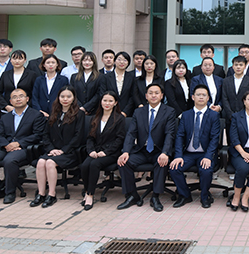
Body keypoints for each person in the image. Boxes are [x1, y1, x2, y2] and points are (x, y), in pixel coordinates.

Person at [0, 88, 47, 204]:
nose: (18, 99)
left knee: (9, 161)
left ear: (27, 99)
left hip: (25, 148)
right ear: (10, 101)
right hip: (5, 146)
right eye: (14, 97)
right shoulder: (6, 117)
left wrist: (19, 143)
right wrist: (6, 145)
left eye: (21, 96)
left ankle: (9, 192)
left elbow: (38, 135)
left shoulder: (36, 115)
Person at [116, 83, 178, 212]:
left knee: (161, 162)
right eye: (150, 93)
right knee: (124, 162)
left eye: (156, 93)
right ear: (146, 96)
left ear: (162, 96)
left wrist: (165, 152)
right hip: (142, 150)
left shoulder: (169, 111)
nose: (153, 95)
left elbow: (170, 134)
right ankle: (132, 195)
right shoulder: (139, 112)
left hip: (159, 150)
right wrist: (126, 151)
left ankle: (155, 196)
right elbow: (131, 133)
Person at [31, 86, 85, 208]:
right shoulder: (54, 112)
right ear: (58, 98)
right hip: (53, 150)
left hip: (70, 152)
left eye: (68, 96)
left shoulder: (79, 114)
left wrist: (63, 150)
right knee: (40, 162)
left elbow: (78, 136)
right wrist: (51, 149)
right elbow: (45, 134)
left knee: (50, 163)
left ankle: (52, 194)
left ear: (74, 98)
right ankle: (41, 193)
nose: (65, 99)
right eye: (62, 96)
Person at [170, 84, 222, 208]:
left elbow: (215, 139)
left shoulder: (214, 115)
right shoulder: (186, 115)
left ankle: (205, 196)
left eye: (204, 95)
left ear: (208, 98)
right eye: (198, 95)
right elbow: (180, 136)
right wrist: (178, 156)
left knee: (206, 170)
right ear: (193, 97)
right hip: (188, 153)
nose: (201, 97)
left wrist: (208, 157)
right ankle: (185, 195)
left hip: (205, 153)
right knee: (174, 168)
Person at [80, 92, 126, 210]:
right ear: (101, 102)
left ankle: (90, 195)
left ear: (115, 103)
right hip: (96, 151)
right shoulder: (95, 117)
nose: (107, 103)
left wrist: (106, 152)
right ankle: (86, 191)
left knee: (94, 164)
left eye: (110, 101)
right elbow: (90, 138)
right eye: (105, 100)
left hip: (111, 152)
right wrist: (91, 151)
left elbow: (119, 139)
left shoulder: (119, 118)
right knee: (85, 165)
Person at [98, 51, 136, 117]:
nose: (122, 62)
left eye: (125, 60)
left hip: (127, 114)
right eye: (119, 59)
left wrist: (125, 112)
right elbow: (102, 94)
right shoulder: (106, 77)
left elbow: (133, 96)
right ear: (114, 61)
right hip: (109, 112)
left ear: (128, 63)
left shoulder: (132, 77)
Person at [222, 56, 249, 127]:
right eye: (236, 65)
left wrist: (242, 113)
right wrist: (230, 114)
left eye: (241, 65)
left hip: (245, 116)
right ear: (233, 66)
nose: (238, 67)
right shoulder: (226, 81)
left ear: (245, 66)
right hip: (229, 117)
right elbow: (224, 98)